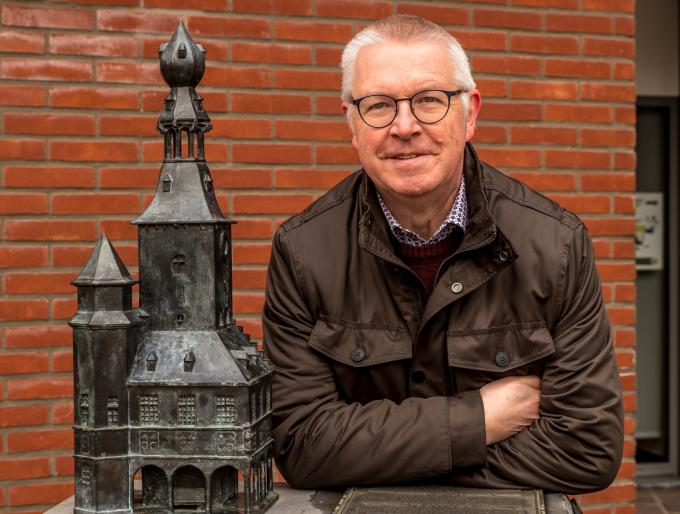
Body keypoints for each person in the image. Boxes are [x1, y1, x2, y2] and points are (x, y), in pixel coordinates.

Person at [263, 14, 623, 494]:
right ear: (352, 122)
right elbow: (302, 446)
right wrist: (480, 420)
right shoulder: (302, 251)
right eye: (379, 105)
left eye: (429, 100)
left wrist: (380, 457)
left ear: (470, 114)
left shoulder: (556, 245)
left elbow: (587, 449)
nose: (404, 126)